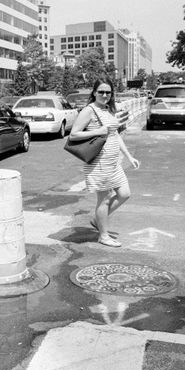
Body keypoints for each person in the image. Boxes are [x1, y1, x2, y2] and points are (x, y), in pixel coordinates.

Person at [68, 76, 140, 247]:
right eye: (101, 92)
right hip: (99, 162)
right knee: (105, 199)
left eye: (108, 92)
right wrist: (99, 131)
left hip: (114, 162)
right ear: (94, 92)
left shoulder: (108, 109)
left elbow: (115, 135)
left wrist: (129, 156)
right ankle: (104, 235)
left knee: (125, 194)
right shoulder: (89, 110)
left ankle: (98, 219)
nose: (105, 95)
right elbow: (73, 134)